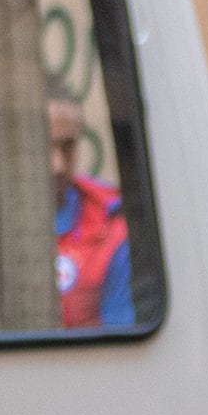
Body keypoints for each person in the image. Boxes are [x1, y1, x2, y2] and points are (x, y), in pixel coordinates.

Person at [48, 84, 132, 328]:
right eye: (44, 145)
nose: (58, 165)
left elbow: (120, 338)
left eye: (67, 146)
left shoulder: (112, 221)